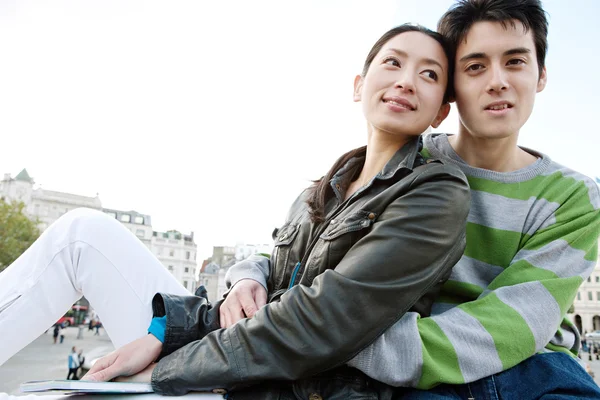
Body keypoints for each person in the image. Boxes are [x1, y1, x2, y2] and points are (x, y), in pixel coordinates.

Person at [0, 24, 470, 399]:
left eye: (429, 74)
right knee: (84, 235)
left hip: (289, 387)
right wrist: (245, 276)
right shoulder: (322, 189)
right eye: (393, 63)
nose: (407, 81)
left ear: (439, 114)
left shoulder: (435, 192)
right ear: (359, 85)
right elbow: (275, 277)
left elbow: (320, 321)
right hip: (237, 366)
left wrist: (166, 364)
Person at [219, 0, 600, 398]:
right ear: (451, 88)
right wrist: (250, 274)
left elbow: (516, 323)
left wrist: (334, 341)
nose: (497, 81)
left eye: (516, 62)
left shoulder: (573, 196)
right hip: (411, 374)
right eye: (475, 67)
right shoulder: (407, 164)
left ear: (540, 75)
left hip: (531, 370)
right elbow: (320, 246)